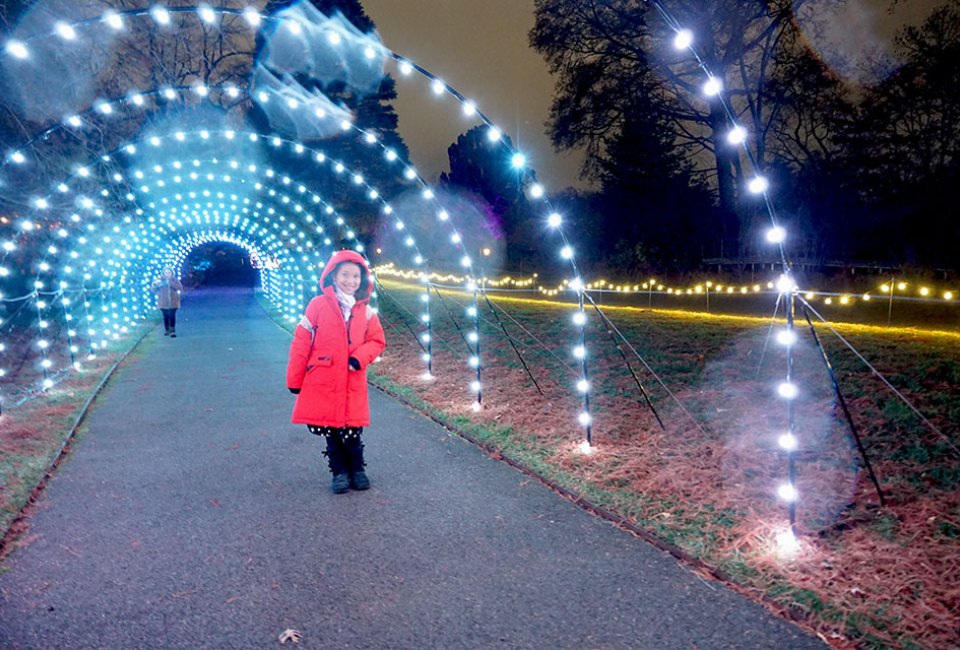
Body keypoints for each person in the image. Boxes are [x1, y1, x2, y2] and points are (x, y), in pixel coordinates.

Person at [287, 250, 386, 494]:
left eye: (355, 276)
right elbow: (302, 342)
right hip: (323, 380)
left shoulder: (366, 311)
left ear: (362, 280)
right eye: (345, 275)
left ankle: (357, 469)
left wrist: (358, 358)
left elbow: (377, 341)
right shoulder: (317, 306)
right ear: (333, 276)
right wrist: (295, 378)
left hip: (351, 381)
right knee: (331, 433)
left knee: (352, 432)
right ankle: (339, 472)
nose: (350, 281)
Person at [152, 268, 183, 337]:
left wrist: (170, 283)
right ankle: (167, 329)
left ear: (171, 273)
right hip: (163, 302)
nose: (167, 274)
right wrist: (155, 285)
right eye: (166, 273)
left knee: (172, 315)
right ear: (164, 273)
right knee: (166, 316)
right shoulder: (160, 280)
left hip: (173, 302)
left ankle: (172, 330)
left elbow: (179, 288)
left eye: (169, 273)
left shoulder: (175, 280)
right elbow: (154, 290)